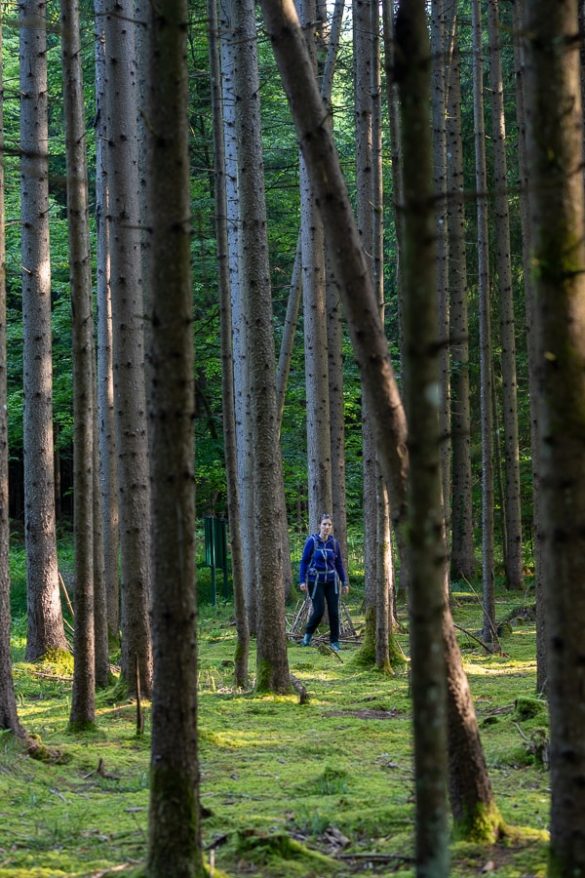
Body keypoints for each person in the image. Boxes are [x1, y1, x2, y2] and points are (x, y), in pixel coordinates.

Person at [299, 513, 349, 652]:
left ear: (331, 527)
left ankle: (334, 642)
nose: (327, 527)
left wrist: (344, 582)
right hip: (315, 582)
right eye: (324, 524)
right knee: (319, 610)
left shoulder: (334, 543)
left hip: (332, 582)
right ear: (319, 526)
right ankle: (307, 636)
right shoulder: (312, 541)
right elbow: (304, 562)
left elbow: (339, 563)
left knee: (334, 612)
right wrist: (302, 580)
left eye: (329, 524)